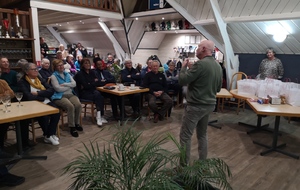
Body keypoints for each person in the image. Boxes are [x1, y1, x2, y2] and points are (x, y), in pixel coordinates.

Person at [178, 40, 222, 165]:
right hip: (209, 105)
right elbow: (218, 88)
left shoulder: (200, 64)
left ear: (203, 49)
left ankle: (183, 167)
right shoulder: (217, 66)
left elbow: (182, 80)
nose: (196, 50)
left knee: (185, 136)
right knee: (202, 134)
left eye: (197, 47)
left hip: (196, 105)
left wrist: (183, 68)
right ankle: (202, 164)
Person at [18, 62, 60, 145]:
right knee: (43, 115)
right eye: (33, 69)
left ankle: (49, 134)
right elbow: (29, 97)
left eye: (37, 69)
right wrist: (43, 95)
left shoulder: (39, 79)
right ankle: (48, 135)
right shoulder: (22, 82)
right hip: (33, 104)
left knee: (56, 112)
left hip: (45, 101)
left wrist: (38, 93)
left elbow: (51, 90)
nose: (36, 71)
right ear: (27, 72)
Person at [0, 79, 25, 187]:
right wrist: (3, 94)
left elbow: (11, 94)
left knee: (5, 124)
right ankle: (2, 175)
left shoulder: (2, 81)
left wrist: (4, 95)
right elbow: (6, 96)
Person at [50, 59, 83, 137]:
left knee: (78, 105)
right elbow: (57, 89)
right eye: (59, 65)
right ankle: (72, 127)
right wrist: (69, 86)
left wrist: (64, 84)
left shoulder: (67, 74)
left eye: (62, 65)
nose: (61, 66)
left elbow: (74, 84)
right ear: (55, 67)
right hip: (59, 96)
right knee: (70, 106)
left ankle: (77, 123)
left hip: (70, 94)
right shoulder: (53, 76)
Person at [74, 58, 108, 127]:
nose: (88, 65)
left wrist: (91, 83)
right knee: (98, 96)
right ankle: (99, 117)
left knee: (99, 96)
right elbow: (86, 86)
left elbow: (97, 82)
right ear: (82, 65)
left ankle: (99, 116)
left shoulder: (92, 72)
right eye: (85, 63)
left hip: (92, 91)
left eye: (88, 63)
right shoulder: (80, 74)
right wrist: (93, 82)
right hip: (83, 93)